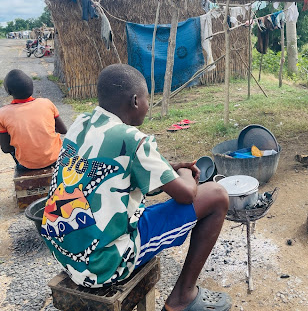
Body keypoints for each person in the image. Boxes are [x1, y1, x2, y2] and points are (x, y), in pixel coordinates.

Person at [40, 64, 231, 311]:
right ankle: (182, 298)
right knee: (217, 196)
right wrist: (185, 173)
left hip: (64, 251)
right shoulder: (132, 138)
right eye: (147, 99)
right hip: (101, 265)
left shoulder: (81, 123)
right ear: (135, 101)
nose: (148, 105)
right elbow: (186, 195)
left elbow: (122, 170)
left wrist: (167, 167)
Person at [0, 69, 67, 170]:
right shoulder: (46, 103)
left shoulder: (3, 113)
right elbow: (63, 130)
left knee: (16, 151)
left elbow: (5, 148)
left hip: (27, 166)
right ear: (32, 87)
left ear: (9, 92)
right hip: (56, 159)